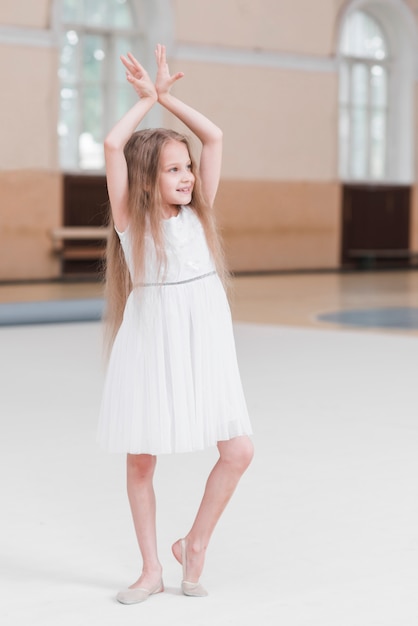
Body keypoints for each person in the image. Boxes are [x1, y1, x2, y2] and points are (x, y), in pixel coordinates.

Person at [97, 44, 253, 604]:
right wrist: (145, 103)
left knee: (238, 450)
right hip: (152, 341)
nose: (188, 177)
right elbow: (114, 144)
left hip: (204, 339)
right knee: (141, 459)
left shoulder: (200, 211)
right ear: (146, 179)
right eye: (174, 169)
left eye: (187, 168)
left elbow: (213, 137)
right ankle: (149, 569)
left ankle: (194, 544)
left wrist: (168, 98)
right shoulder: (130, 222)